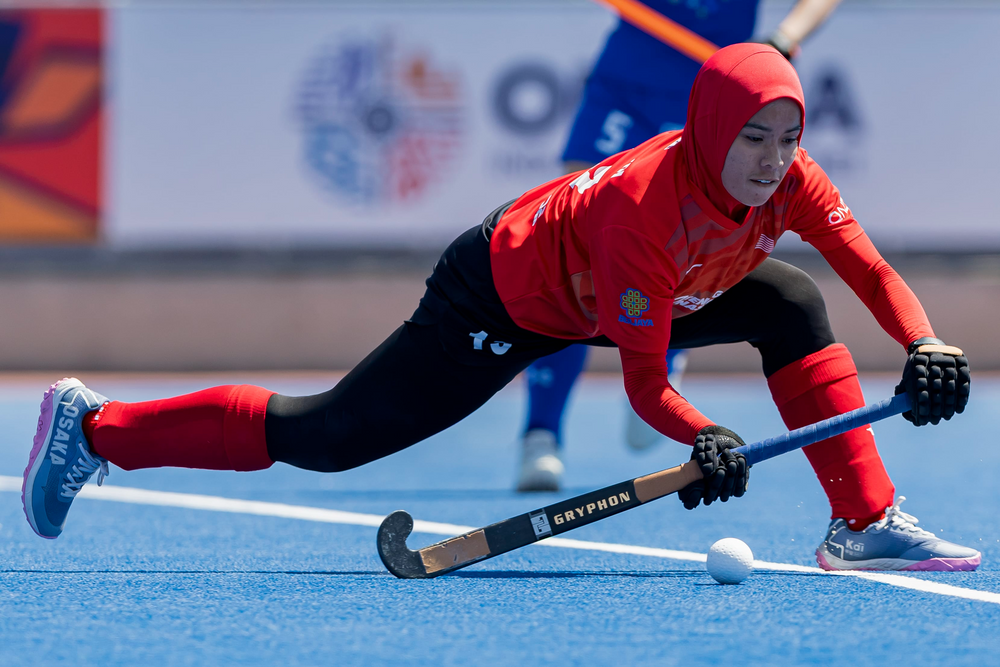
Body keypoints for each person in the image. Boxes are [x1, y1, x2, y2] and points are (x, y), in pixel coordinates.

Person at [22, 44, 976, 572]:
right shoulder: (643, 211)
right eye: (754, 139)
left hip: (619, 295)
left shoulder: (791, 181)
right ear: (713, 128)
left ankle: (864, 522)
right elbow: (645, 384)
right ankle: (96, 429)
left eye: (788, 138)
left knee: (794, 302)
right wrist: (703, 434)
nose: (772, 161)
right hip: (504, 296)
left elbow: (869, 269)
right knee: (330, 435)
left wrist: (924, 340)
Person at [516, 0, 844, 492]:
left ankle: (660, 359)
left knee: (687, 234)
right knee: (568, 251)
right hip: (625, 81)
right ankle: (541, 433)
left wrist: (785, 37)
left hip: (713, 90)